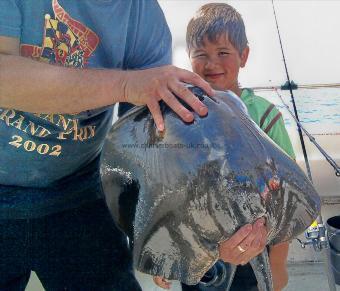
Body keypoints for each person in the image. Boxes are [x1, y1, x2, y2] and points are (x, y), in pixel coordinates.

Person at [0, 0, 214, 290]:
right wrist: (125, 85)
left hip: (78, 191)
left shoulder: (144, 15)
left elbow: (146, 142)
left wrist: (176, 230)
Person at [154, 3, 295, 291]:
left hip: (254, 248)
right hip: (198, 251)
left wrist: (278, 265)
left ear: (244, 55)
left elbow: (286, 201)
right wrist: (163, 254)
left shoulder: (267, 118)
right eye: (201, 54)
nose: (211, 63)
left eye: (223, 53)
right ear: (189, 59)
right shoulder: (181, 116)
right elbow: (167, 191)